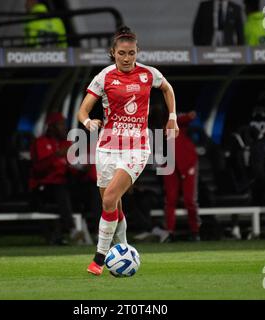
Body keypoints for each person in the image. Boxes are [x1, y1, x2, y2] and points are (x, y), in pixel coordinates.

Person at [77, 26, 179, 276]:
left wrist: (173, 117)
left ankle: (99, 259)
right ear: (113, 53)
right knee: (112, 205)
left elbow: (167, 88)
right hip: (107, 147)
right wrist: (88, 122)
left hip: (137, 148)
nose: (126, 58)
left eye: (131, 53)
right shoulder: (104, 77)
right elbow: (83, 111)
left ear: (137, 52)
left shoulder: (148, 74)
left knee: (110, 199)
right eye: (121, 53)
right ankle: (122, 249)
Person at [29, 112, 82, 245]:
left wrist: (79, 168)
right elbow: (38, 168)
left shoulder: (67, 143)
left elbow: (72, 167)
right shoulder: (40, 142)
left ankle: (103, 232)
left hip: (64, 185)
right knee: (60, 189)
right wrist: (56, 155)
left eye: (65, 125)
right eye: (61, 125)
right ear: (51, 127)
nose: (65, 128)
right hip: (43, 187)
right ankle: (72, 230)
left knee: (92, 187)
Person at [163, 111, 200, 241]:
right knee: (170, 199)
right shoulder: (150, 122)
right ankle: (170, 233)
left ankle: (195, 232)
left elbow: (190, 117)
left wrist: (184, 116)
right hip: (170, 163)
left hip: (187, 162)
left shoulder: (175, 120)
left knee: (189, 200)